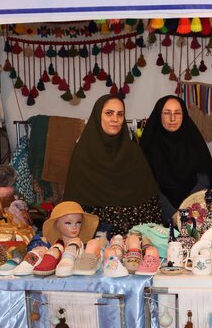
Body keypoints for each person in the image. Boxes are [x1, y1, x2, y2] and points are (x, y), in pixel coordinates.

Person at [63, 94, 163, 236]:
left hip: (135, 236)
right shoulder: (83, 153)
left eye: (120, 114)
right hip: (94, 236)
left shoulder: (133, 151)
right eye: (109, 113)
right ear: (98, 116)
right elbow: (73, 205)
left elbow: (150, 201)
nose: (115, 119)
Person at [140, 95, 212, 224]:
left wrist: (186, 210)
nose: (172, 118)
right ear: (159, 115)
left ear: (184, 115)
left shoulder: (194, 141)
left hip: (193, 216)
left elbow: (204, 178)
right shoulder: (148, 145)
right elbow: (145, 183)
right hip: (157, 217)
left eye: (177, 113)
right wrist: (172, 214)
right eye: (167, 113)